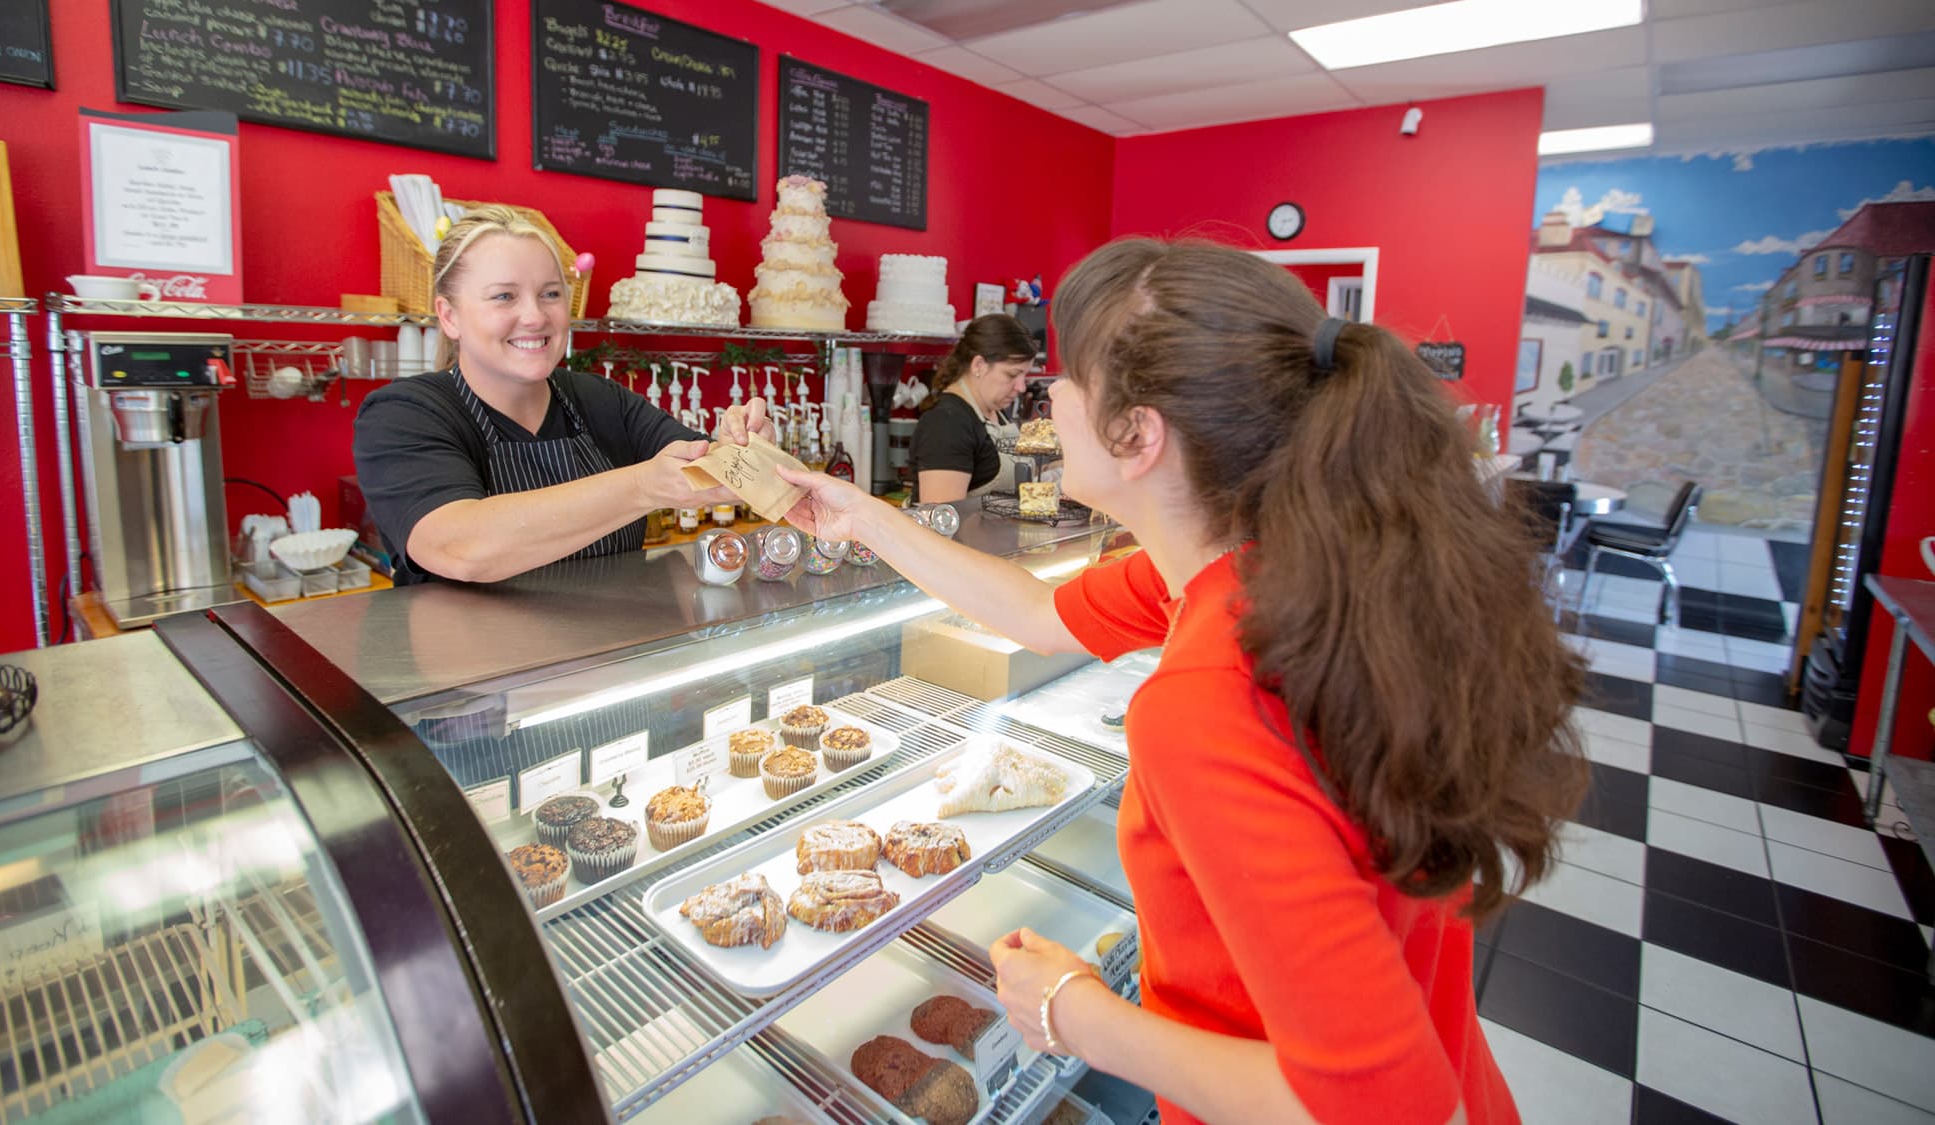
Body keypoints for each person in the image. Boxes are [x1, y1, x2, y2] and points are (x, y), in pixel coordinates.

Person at [783, 239, 1586, 1125]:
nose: (1049, 395)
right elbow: (1037, 615)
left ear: (1139, 436)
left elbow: (1383, 1108)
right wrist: (864, 519)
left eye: (1070, 377)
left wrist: (1072, 1011)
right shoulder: (1281, 567)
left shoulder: (1206, 703)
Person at [353, 206, 766, 585]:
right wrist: (642, 486)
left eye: (550, 293)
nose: (535, 316)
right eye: (504, 296)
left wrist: (737, 450)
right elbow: (461, 547)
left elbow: (706, 470)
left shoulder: (601, 401)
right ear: (449, 315)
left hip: (610, 656)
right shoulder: (404, 414)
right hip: (474, 665)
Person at [908, 313, 1037, 503]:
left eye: (1024, 376)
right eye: (1012, 375)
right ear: (979, 365)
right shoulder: (947, 423)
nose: (1021, 387)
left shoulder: (996, 413)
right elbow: (940, 519)